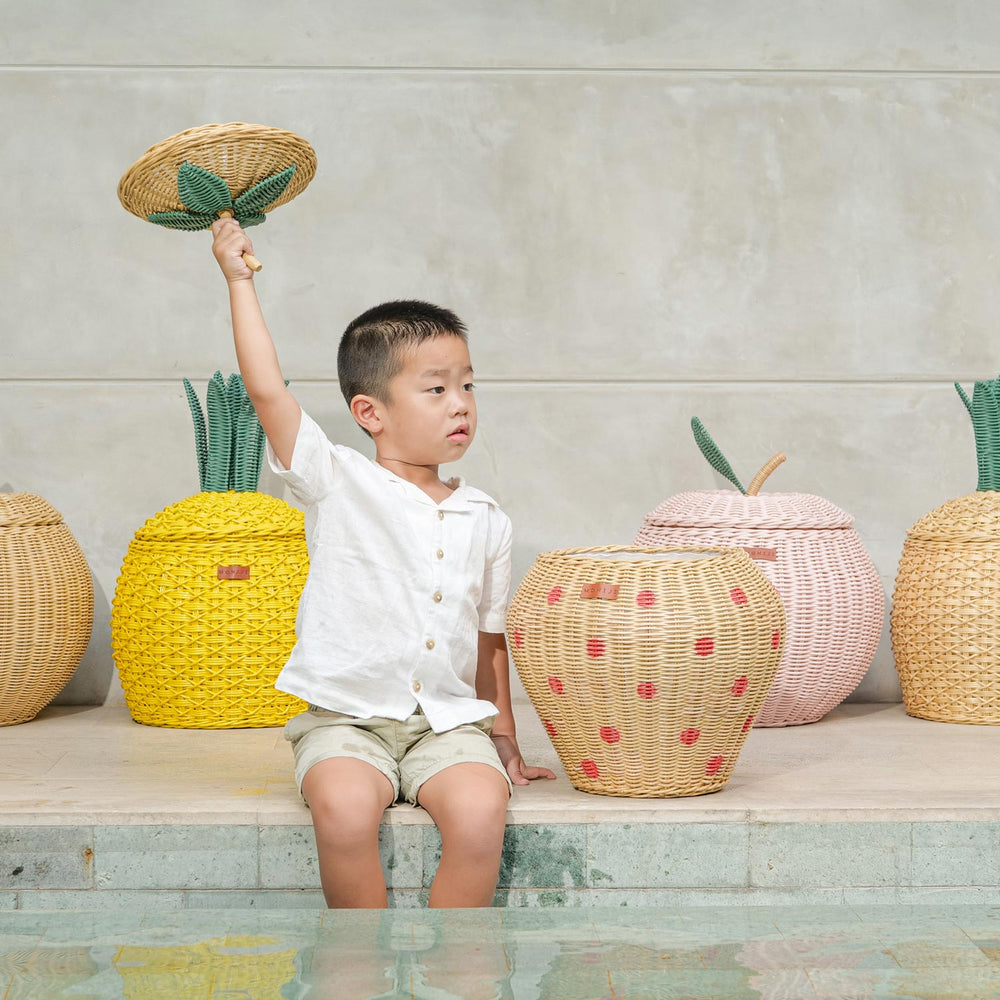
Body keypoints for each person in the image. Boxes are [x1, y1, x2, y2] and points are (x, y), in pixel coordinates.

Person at [210, 218, 555, 908]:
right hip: (347, 721)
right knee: (342, 810)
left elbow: (490, 639)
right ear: (369, 411)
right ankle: (357, 966)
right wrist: (239, 280)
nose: (460, 404)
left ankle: (458, 969)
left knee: (482, 814)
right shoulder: (336, 480)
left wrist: (505, 737)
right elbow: (268, 393)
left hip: (446, 726)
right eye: (436, 389)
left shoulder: (485, 517)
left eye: (467, 385)